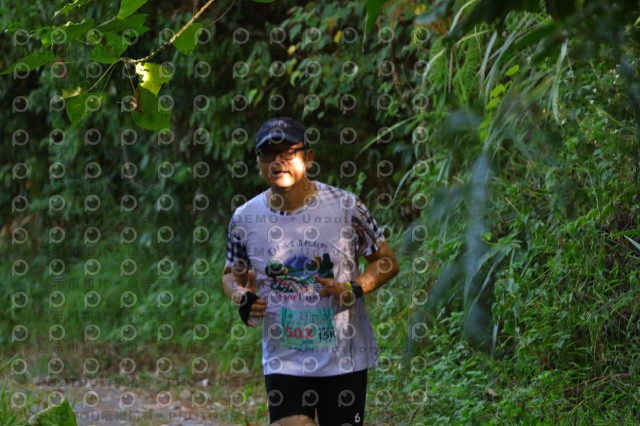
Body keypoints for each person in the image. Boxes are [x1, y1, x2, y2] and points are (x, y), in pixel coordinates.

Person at [222, 117, 399, 426]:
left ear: (308, 156)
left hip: (344, 359)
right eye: (268, 153)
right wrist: (241, 297)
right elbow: (230, 273)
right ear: (259, 162)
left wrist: (352, 289)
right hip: (284, 360)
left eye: (288, 152)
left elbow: (386, 262)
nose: (278, 161)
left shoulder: (346, 207)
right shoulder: (245, 218)